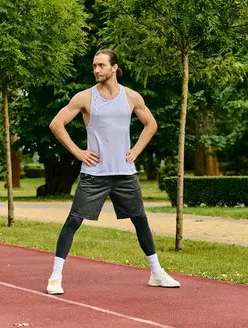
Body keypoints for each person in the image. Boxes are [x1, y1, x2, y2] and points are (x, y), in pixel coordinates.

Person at [46, 49, 180, 295]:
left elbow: (151, 124)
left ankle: (157, 273)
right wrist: (78, 152)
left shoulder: (131, 97)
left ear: (114, 68)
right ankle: (55, 276)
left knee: (140, 220)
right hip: (94, 174)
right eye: (94, 66)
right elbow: (56, 123)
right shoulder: (85, 98)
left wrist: (137, 150)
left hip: (125, 174)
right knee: (74, 220)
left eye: (101, 66)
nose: (96, 70)